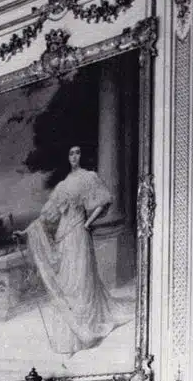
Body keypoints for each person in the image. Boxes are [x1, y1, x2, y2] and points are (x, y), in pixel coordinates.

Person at [14, 145, 132, 356]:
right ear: (67, 157)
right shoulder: (62, 186)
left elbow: (104, 201)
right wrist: (25, 232)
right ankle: (70, 339)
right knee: (68, 284)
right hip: (64, 237)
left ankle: (86, 331)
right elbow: (46, 216)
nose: (74, 156)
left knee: (81, 281)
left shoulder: (89, 177)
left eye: (78, 152)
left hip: (79, 235)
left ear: (82, 156)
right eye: (71, 153)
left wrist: (87, 223)